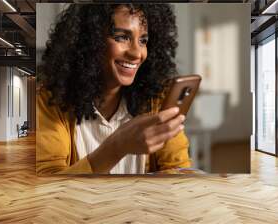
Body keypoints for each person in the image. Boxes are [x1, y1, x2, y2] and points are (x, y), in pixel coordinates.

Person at [36, 3, 191, 175]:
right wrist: (117, 146)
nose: (137, 54)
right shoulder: (50, 101)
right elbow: (48, 185)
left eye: (143, 40)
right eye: (121, 37)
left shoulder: (157, 99)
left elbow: (177, 170)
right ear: (88, 39)